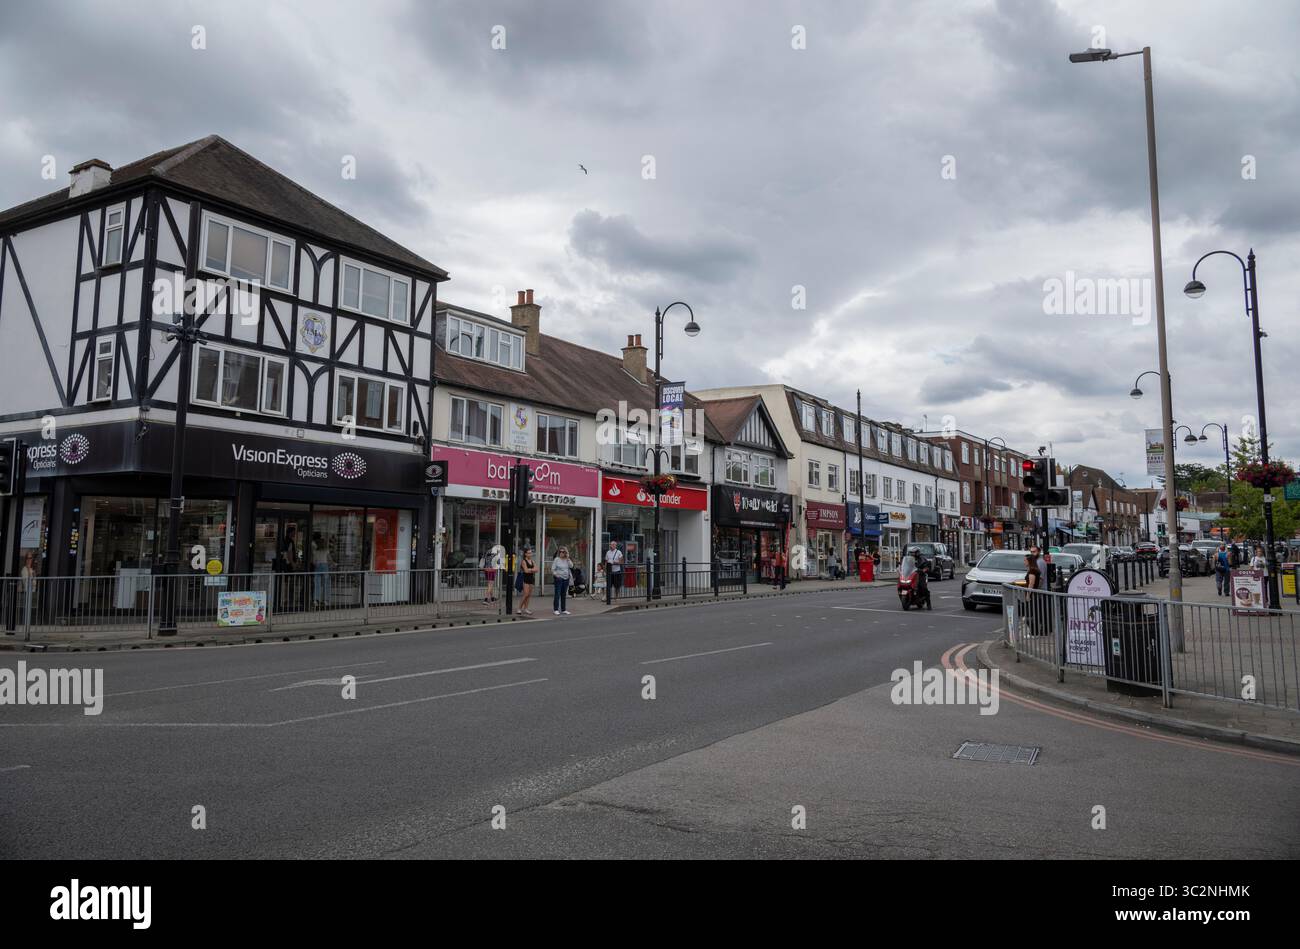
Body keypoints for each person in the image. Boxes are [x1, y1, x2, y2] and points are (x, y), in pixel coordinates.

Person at [311, 532, 332, 607]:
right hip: (325, 566)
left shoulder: (315, 551)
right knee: (326, 584)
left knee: (317, 584)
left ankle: (316, 600)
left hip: (318, 567)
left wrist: (316, 564)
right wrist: (333, 563)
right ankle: (326, 600)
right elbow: (330, 560)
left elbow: (313, 562)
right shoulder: (326, 550)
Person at [552, 547, 574, 615]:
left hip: (566, 579)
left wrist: (568, 558)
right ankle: (555, 609)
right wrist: (556, 575)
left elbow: (571, 566)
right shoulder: (556, 559)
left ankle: (563, 609)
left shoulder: (567, 560)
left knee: (563, 595)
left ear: (565, 553)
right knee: (557, 594)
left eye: (563, 552)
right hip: (559, 579)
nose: (561, 553)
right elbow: (553, 569)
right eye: (560, 551)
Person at [518, 548, 536, 615]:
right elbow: (525, 570)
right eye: (528, 553)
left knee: (529, 595)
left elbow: (536, 569)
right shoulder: (524, 561)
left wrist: (530, 570)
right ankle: (519, 608)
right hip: (525, 579)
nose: (530, 554)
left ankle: (526, 608)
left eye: (530, 553)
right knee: (525, 594)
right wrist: (532, 570)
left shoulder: (532, 561)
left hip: (531, 579)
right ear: (525, 554)